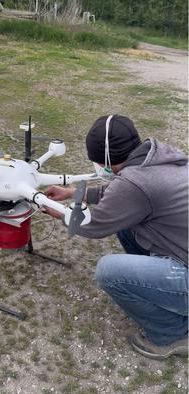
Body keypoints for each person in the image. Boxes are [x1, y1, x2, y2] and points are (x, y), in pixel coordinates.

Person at [44, 114, 188, 360]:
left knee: (108, 271)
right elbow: (119, 195)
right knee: (126, 225)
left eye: (97, 161)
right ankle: (160, 293)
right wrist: (72, 193)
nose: (98, 166)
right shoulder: (155, 157)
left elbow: (94, 226)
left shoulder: (136, 181)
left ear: (107, 159)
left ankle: (172, 334)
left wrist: (59, 212)